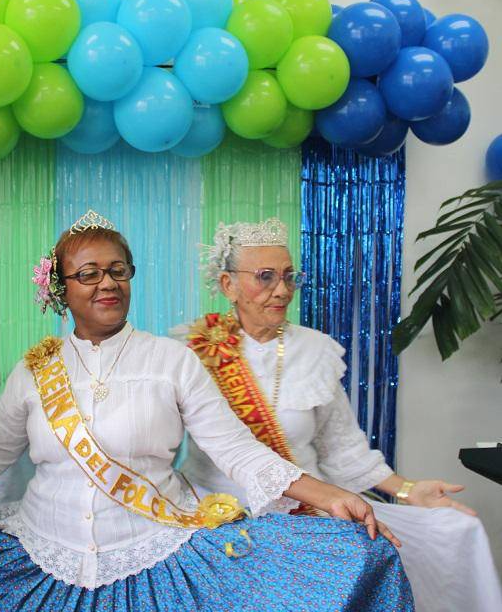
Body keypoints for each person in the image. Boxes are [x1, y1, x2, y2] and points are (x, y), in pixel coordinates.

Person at [0, 210, 413, 611]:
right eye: (88, 273)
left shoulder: (172, 361)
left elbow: (235, 448)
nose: (106, 283)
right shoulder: (34, 371)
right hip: (43, 559)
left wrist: (328, 495)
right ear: (60, 288)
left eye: (117, 270)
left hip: (156, 556)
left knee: (354, 555)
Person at [177, 218, 502, 612]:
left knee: (453, 533)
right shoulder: (187, 352)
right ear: (228, 285)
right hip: (220, 516)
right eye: (265, 277)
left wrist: (406, 490)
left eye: (289, 276)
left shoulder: (317, 351)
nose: (281, 291)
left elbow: (341, 449)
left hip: (312, 512)